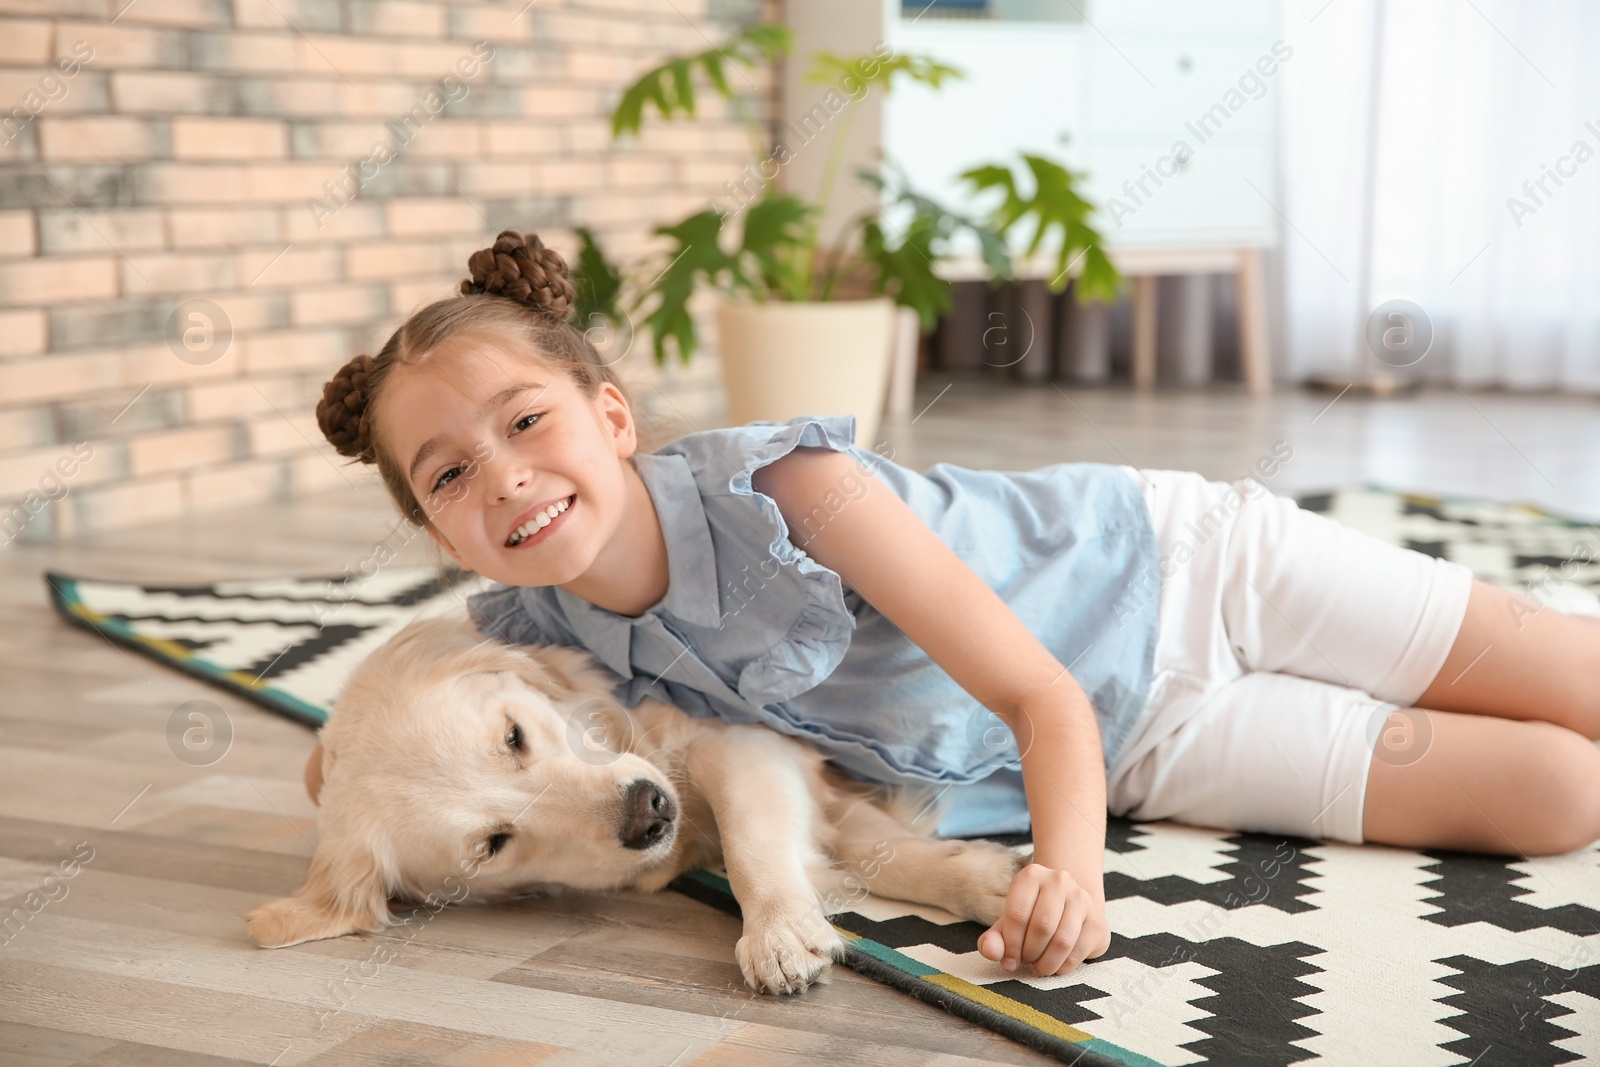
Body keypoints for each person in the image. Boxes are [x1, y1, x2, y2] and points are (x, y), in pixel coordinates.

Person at [306, 228, 1600, 982]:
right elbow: (409, 711)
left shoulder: (791, 489)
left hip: (1187, 569)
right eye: (453, 476)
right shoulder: (535, 632)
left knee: (1569, 678)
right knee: (1557, 798)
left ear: (611, 415)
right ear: (442, 536)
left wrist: (1070, 876)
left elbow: (1036, 692)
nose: (509, 478)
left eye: (528, 423)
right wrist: (336, 771)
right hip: (1145, 743)